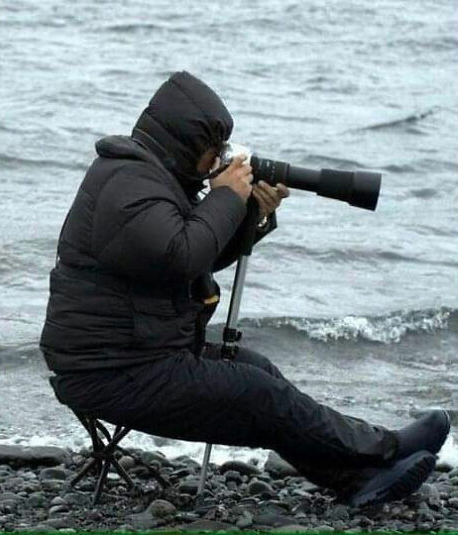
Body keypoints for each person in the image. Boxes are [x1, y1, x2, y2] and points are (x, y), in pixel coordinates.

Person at [39, 71, 450, 506]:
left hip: (140, 354)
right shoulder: (127, 184)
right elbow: (182, 255)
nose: (217, 161)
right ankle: (386, 448)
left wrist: (251, 213)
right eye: (213, 151)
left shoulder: (149, 177)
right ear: (184, 142)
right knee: (258, 394)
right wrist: (227, 199)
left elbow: (190, 259)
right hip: (109, 371)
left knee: (260, 373)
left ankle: (358, 479)